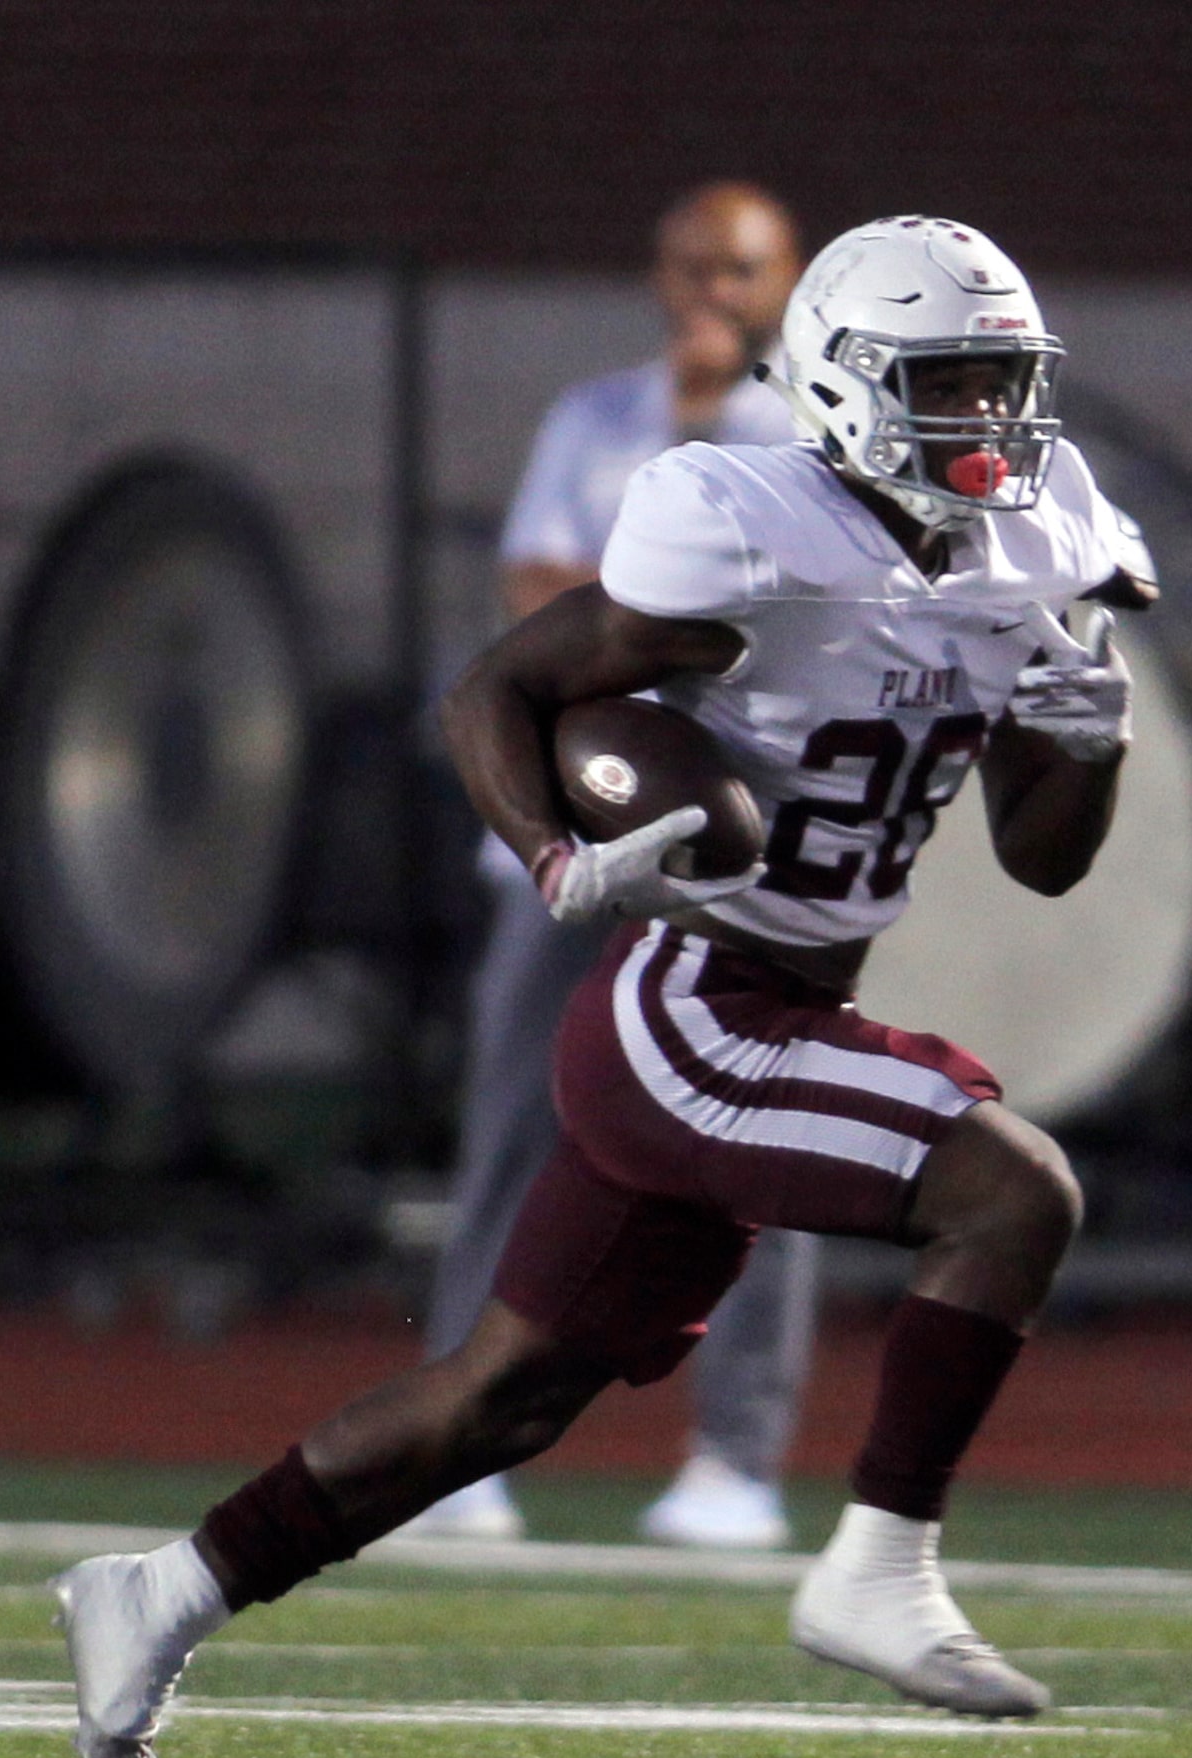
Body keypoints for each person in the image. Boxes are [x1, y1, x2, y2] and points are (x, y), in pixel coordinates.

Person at [53, 215, 1156, 1758]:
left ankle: (160, 1589)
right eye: (949, 384)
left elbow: (1043, 862)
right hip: (689, 1002)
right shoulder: (745, 522)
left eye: (1004, 382)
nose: (989, 424)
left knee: (498, 1398)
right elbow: (491, 688)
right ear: (846, 391)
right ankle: (878, 1564)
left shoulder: (1035, 532)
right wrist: (552, 852)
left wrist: (1087, 741)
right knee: (1012, 1189)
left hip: (775, 1006)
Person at [409, 181, 818, 1551]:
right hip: (564, 832)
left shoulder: (810, 432)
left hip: (729, 842)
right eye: (692, 264)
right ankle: (461, 1442)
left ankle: (734, 1454)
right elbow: (532, 594)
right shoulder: (589, 417)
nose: (714, 290)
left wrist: (638, 585)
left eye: (742, 269)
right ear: (656, 273)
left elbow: (763, 618)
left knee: (748, 1134)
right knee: (516, 1128)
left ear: (790, 280)